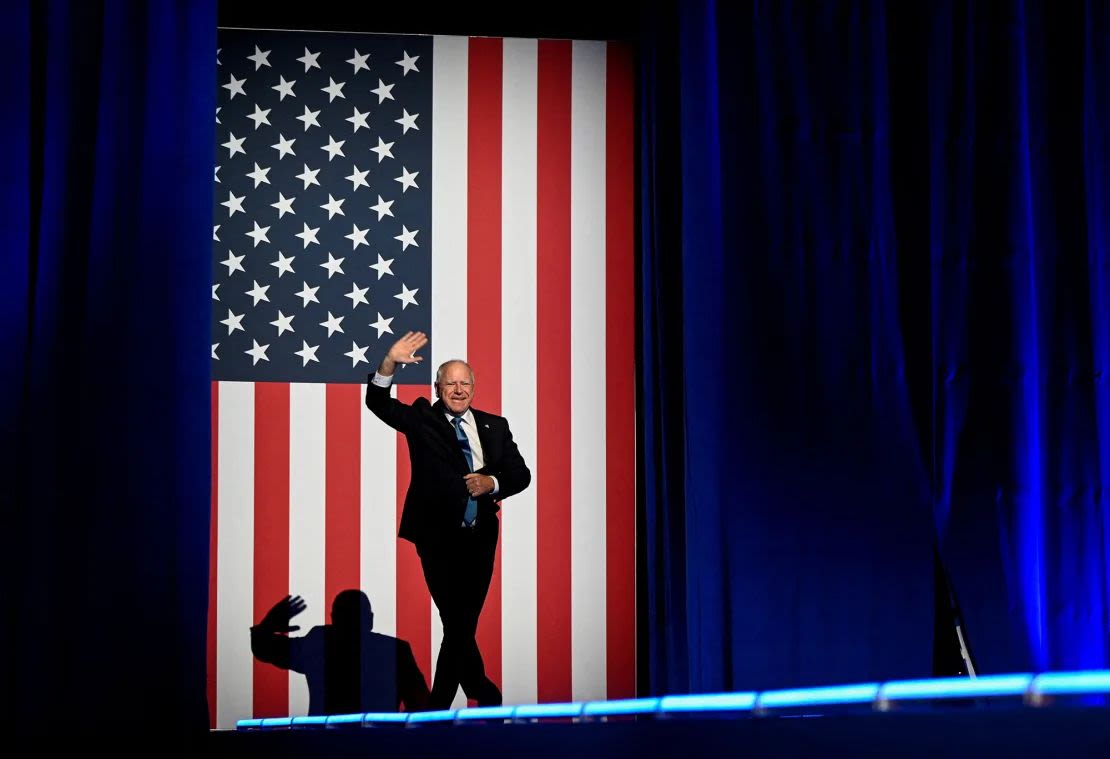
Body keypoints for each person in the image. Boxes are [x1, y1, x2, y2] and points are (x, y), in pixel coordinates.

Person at [364, 330, 531, 709]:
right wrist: (389, 361)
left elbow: (521, 475)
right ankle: (441, 707)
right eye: (450, 383)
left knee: (460, 623)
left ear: (474, 387)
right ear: (438, 387)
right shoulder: (422, 418)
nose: (458, 390)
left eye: (464, 383)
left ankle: (482, 691)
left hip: (480, 537)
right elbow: (377, 401)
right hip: (438, 538)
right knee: (457, 621)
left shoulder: (495, 426)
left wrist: (491, 482)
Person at [250, 590, 429, 715]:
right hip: (381, 743)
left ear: (334, 618)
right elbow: (420, 703)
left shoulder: (319, 643)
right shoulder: (395, 650)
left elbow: (264, 648)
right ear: (370, 619)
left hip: (326, 744)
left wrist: (267, 626)